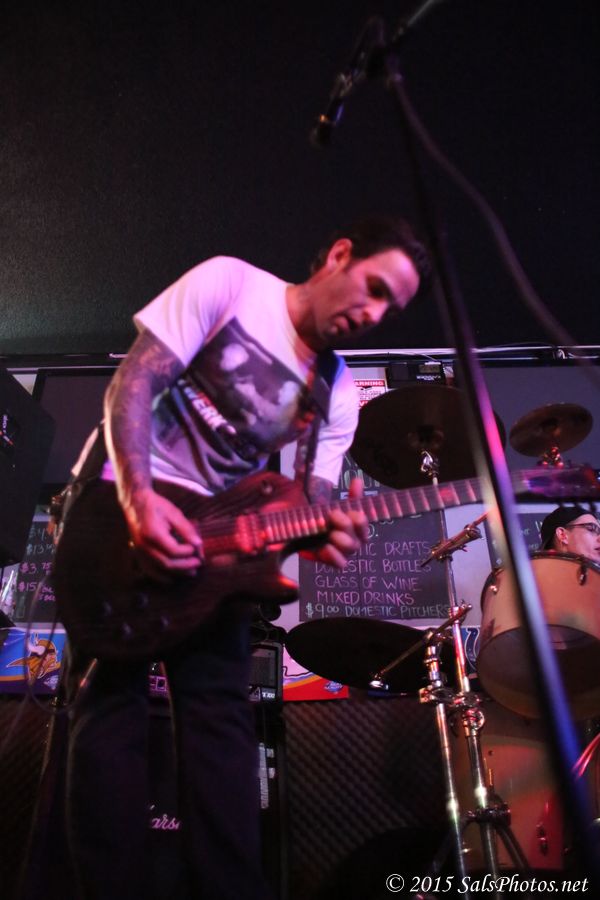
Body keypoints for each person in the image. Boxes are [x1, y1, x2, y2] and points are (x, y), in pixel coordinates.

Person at [52, 215, 429, 900]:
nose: (375, 314)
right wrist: (140, 498)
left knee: (221, 721)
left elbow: (307, 503)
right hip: (117, 504)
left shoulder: (337, 393)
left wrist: (322, 533)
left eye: (391, 309)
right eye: (374, 288)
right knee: (108, 705)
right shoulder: (231, 284)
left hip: (218, 547)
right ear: (339, 254)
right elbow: (132, 385)